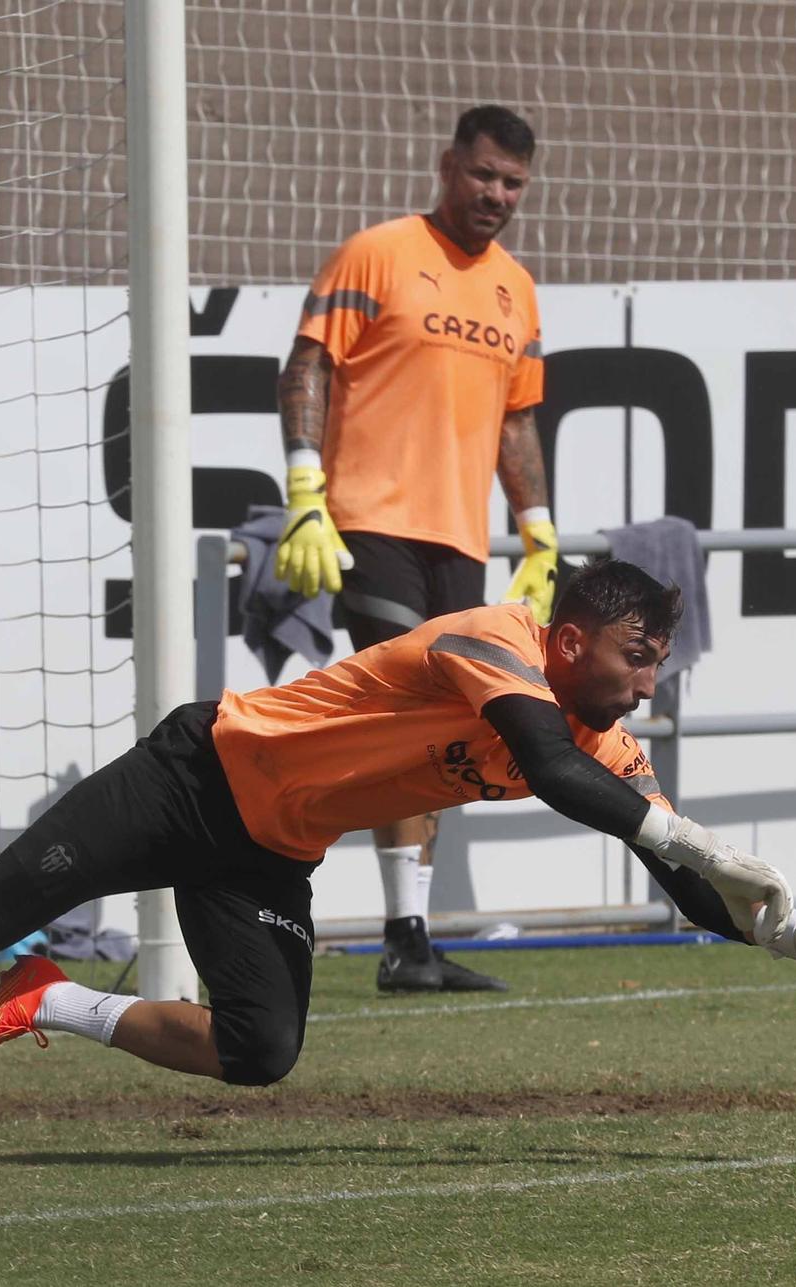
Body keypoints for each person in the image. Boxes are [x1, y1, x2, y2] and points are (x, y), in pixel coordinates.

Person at [0, 559, 796, 1175]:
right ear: (569, 639)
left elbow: (671, 871)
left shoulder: (602, 733)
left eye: (660, 657)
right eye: (636, 652)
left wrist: (782, 932)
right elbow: (559, 778)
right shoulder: (492, 646)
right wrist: (685, 839)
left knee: (262, 1053)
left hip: (267, 849)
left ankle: (47, 1003)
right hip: (194, 774)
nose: (649, 676)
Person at [274, 104, 557, 994]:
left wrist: (539, 530)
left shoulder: (517, 286)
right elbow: (307, 365)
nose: (496, 195)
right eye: (483, 175)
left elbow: (518, 417)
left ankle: (409, 938)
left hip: (457, 539)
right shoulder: (379, 252)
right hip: (368, 524)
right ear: (447, 166)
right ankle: (384, 926)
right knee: (406, 717)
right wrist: (305, 491)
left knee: (448, 728)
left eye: (512, 182)